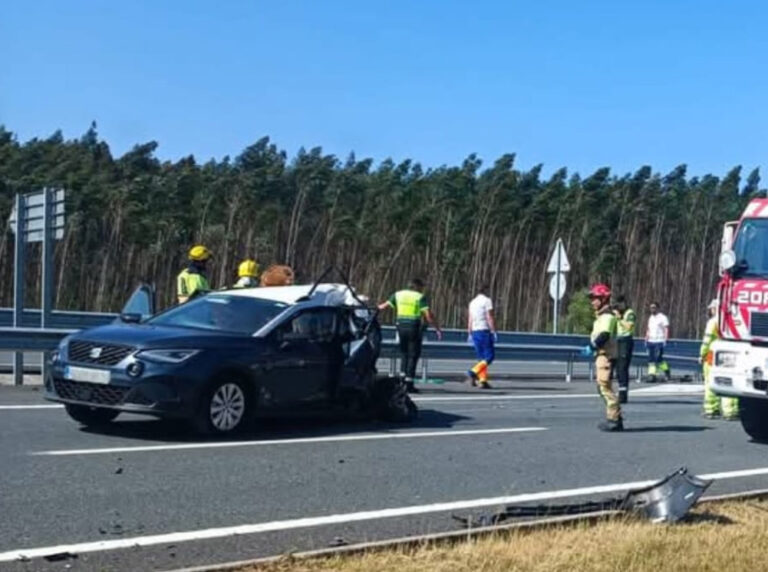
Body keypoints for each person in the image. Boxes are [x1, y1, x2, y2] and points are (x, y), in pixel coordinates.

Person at [378, 278, 443, 393]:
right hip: (413, 327)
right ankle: (409, 383)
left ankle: (402, 380)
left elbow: (383, 306)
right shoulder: (419, 297)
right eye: (421, 287)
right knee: (413, 354)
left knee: (404, 352)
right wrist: (436, 328)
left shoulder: (398, 294)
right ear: (417, 287)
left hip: (400, 326)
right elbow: (428, 315)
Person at [581, 283, 623, 432]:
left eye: (595, 298)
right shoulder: (601, 317)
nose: (592, 301)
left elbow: (604, 335)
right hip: (602, 356)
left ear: (604, 299)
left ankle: (614, 419)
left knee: (604, 388)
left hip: (606, 356)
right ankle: (615, 418)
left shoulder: (607, 317)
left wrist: (592, 347)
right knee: (603, 388)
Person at [700, 299, 739, 420]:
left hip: (712, 355)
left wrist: (702, 354)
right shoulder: (731, 320)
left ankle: (711, 409)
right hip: (730, 355)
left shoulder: (713, 322)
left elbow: (707, 341)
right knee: (729, 383)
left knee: (710, 383)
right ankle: (730, 411)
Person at [465, 284, 497, 389]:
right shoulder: (487, 301)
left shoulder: (472, 302)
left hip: (475, 331)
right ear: (486, 291)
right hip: (484, 330)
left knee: (481, 358)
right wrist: (493, 330)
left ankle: (483, 381)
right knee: (489, 356)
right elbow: (489, 316)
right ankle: (472, 372)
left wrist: (469, 332)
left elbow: (470, 318)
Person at [614, 295, 636, 403]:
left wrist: (619, 318)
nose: (619, 306)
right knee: (618, 368)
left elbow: (629, 327)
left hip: (626, 341)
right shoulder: (616, 313)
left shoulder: (629, 313)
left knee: (623, 367)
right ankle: (619, 390)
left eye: (620, 304)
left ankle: (623, 394)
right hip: (617, 340)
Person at [645, 301, 670, 382]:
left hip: (659, 340)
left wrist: (666, 339)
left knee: (658, 359)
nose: (652, 309)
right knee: (651, 359)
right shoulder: (651, 318)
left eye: (654, 307)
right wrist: (646, 337)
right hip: (651, 341)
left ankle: (666, 371)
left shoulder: (662, 317)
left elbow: (666, 328)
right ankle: (652, 375)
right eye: (651, 308)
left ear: (657, 308)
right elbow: (649, 329)